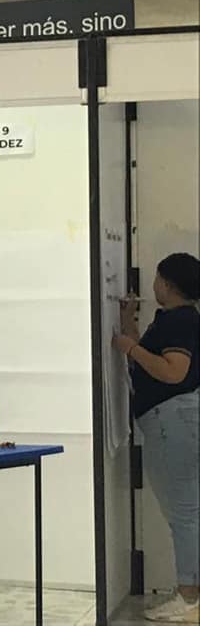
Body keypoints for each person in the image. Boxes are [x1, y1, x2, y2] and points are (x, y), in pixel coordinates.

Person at [112, 252, 199, 623]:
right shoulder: (175, 319)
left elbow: (173, 372)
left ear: (167, 284)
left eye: (157, 278)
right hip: (171, 420)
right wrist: (128, 322)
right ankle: (190, 591)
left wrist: (129, 347)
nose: (153, 285)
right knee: (186, 509)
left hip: (171, 421)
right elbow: (148, 359)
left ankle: (189, 596)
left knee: (184, 511)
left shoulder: (180, 321)